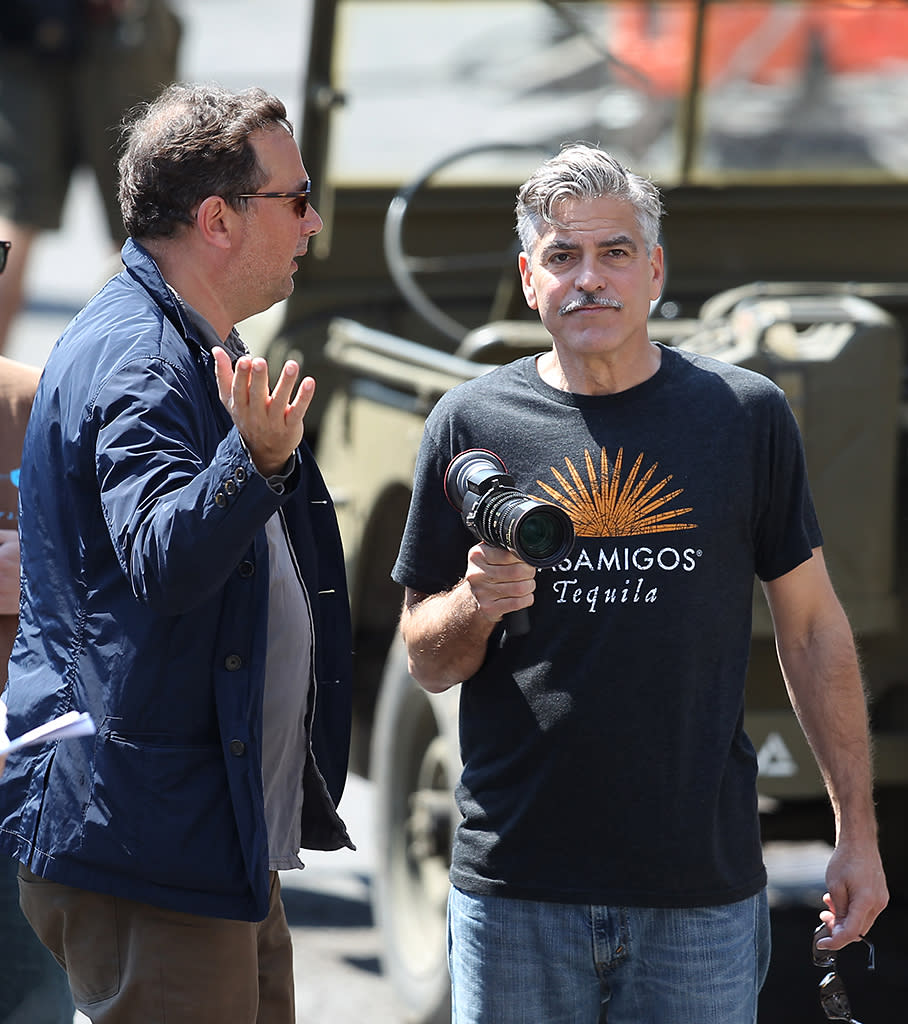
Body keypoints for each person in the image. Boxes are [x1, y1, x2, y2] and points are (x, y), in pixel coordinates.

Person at [391, 143, 889, 1023]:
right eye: (563, 256)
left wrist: (858, 831)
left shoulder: (743, 416)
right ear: (529, 277)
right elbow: (425, 663)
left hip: (698, 893)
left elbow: (812, 631)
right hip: (515, 889)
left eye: (615, 253)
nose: (590, 279)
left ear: (653, 270)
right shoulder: (470, 422)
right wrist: (477, 599)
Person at [0, 83, 354, 1024]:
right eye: (296, 197)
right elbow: (165, 558)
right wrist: (256, 459)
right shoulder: (141, 361)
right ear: (217, 219)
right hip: (149, 847)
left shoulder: (191, 338)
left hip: (201, 838)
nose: (313, 222)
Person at [0, 0, 182, 352]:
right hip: (116, 26)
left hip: (24, 31)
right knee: (148, 220)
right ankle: (150, 392)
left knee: (14, 216)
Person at [0, 346, 76, 1024]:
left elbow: (141, 567)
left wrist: (43, 572)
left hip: (20, 787)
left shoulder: (40, 404)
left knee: (29, 1001)